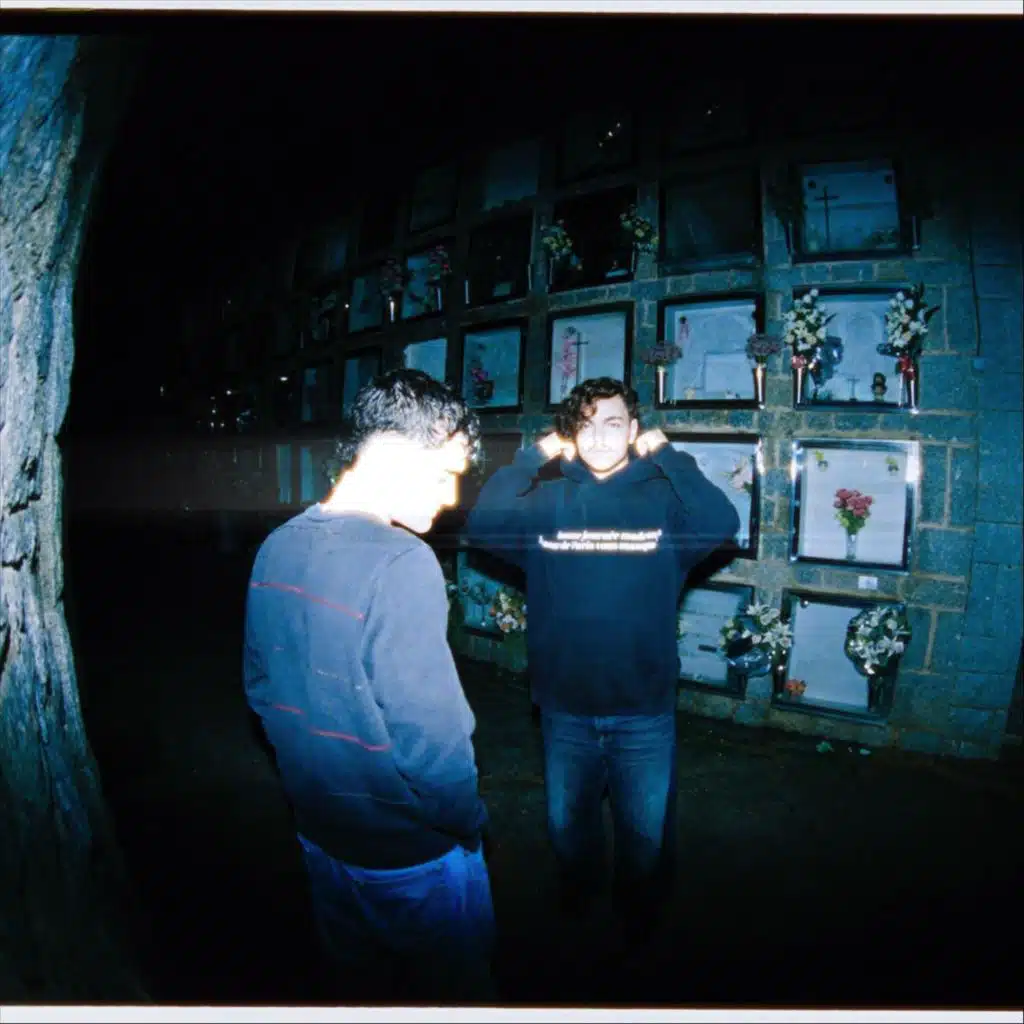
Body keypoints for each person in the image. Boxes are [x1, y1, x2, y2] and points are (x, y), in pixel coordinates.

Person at [243, 369, 495, 1004]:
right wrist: (465, 822)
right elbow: (431, 734)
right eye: (446, 473)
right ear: (393, 451)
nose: (451, 496)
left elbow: (261, 689)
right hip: (409, 854)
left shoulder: (278, 545)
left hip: (320, 836)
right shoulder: (402, 560)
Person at [463, 376, 740, 938]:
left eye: (613, 423)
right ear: (571, 432)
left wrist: (668, 455)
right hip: (564, 707)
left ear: (633, 429)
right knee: (568, 831)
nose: (599, 437)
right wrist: (535, 454)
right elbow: (483, 523)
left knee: (644, 838)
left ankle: (637, 927)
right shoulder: (547, 501)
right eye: (585, 425)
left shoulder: (663, 501)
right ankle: (579, 916)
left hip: (643, 709)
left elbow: (722, 521)